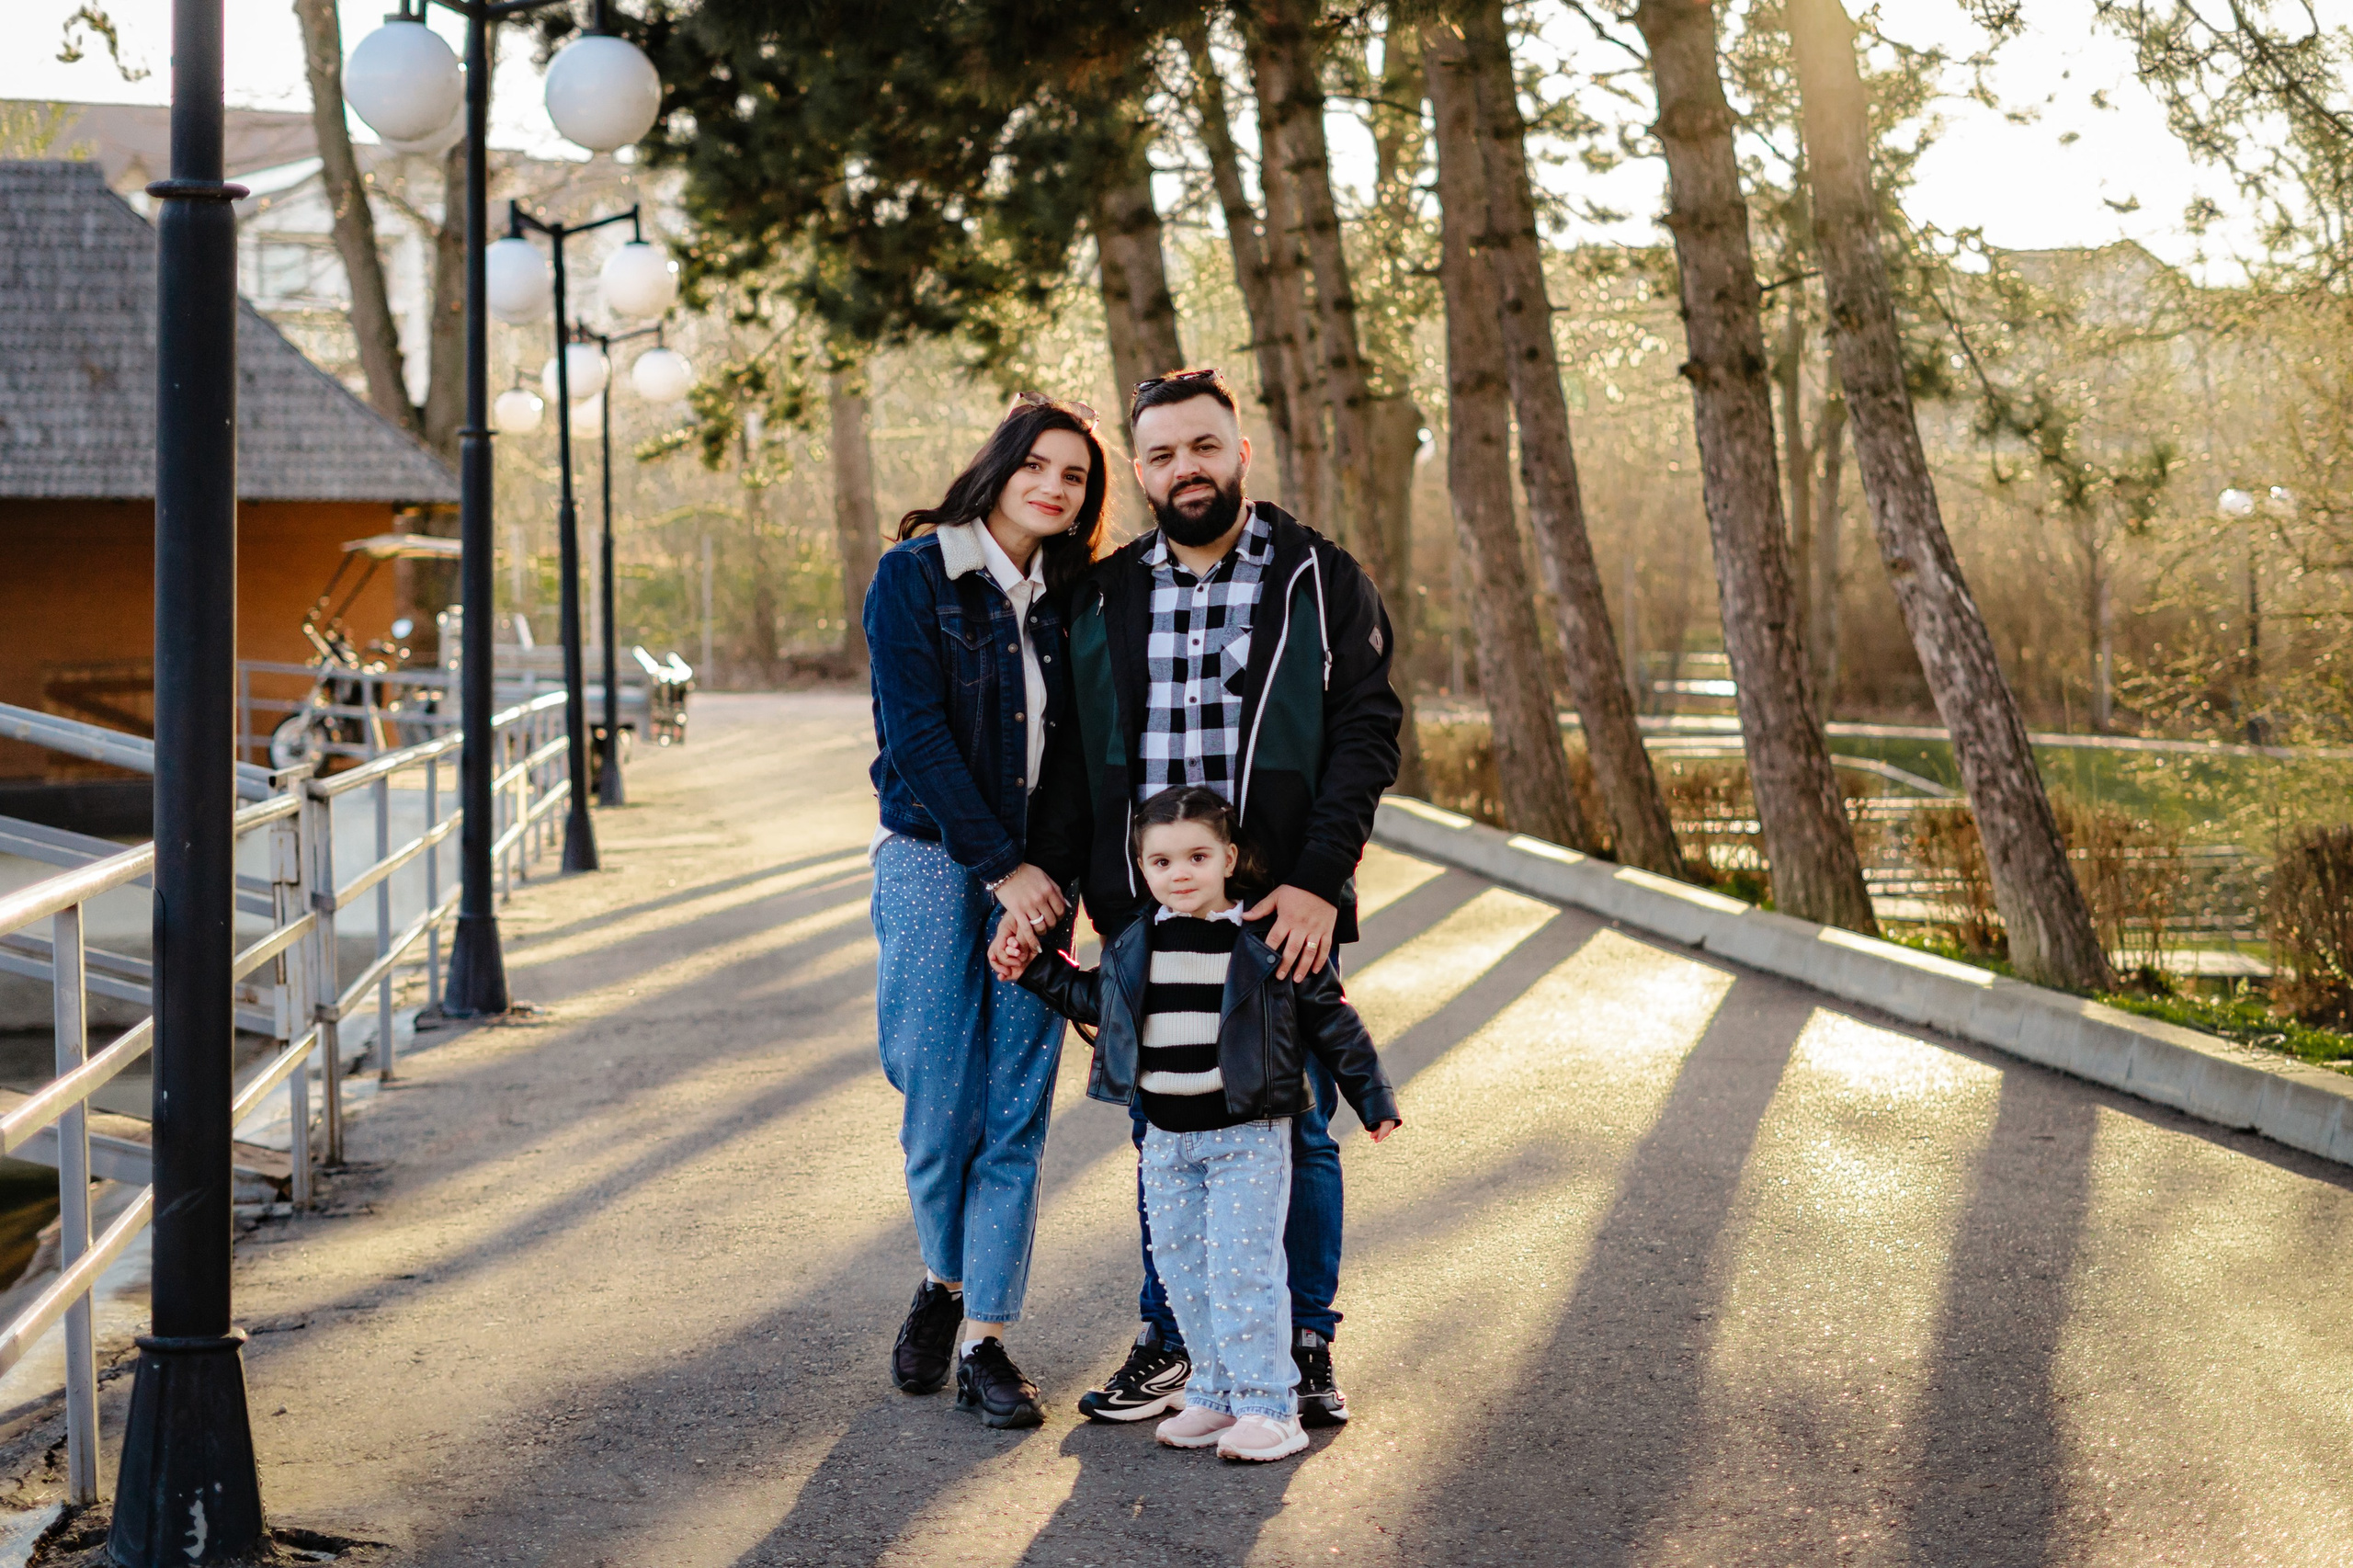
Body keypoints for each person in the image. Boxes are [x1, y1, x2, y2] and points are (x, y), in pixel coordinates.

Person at [1003, 368, 1404, 1427]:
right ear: (1139, 471)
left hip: (1278, 911)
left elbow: (1367, 732)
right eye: (1164, 454)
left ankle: (1302, 1341)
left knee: (1300, 1130)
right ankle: (1177, 1340)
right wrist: (1059, 890)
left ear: (1241, 452)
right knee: (1163, 1126)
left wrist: (1320, 879)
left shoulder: (1318, 578)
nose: (1186, 469)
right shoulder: (1101, 593)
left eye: (1204, 447)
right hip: (1144, 914)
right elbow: (1073, 769)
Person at [995, 786, 1401, 1461]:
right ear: (1142, 868)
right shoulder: (1137, 942)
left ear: (1229, 858)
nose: (1179, 873)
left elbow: (1333, 1018)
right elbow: (1096, 997)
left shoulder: (1265, 940)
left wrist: (1373, 1097)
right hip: (1165, 1139)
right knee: (1183, 1269)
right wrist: (1036, 969)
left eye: (1196, 856)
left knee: (1245, 1271)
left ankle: (1271, 1408)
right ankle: (1213, 1393)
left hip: (1246, 1139)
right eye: (1160, 862)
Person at [864, 394, 1107, 1430]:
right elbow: (915, 735)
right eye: (1039, 466)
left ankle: (986, 1338)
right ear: (1001, 466)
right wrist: (999, 866)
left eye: (1078, 477)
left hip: (1039, 880)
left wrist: (1040, 882)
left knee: (1013, 1108)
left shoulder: (1077, 599)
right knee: (938, 1095)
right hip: (930, 860)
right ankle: (941, 1275)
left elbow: (1083, 762)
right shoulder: (914, 578)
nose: (1055, 487)